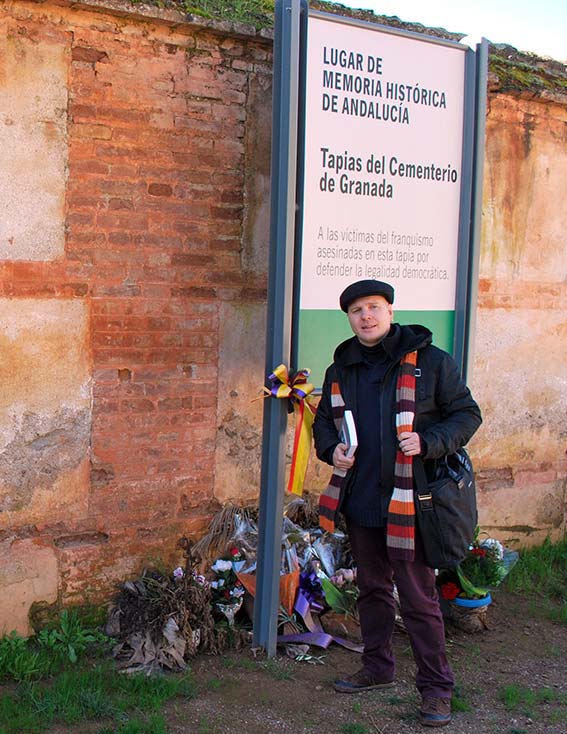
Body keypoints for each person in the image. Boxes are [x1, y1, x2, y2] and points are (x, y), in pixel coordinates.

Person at [313, 279, 482, 728]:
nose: (365, 317)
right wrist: (333, 451)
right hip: (363, 499)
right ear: (349, 318)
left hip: (412, 502)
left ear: (390, 310)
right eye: (356, 311)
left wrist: (427, 441)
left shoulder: (431, 362)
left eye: (373, 307)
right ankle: (377, 668)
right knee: (371, 589)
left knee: (418, 597)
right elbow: (323, 428)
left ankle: (436, 689)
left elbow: (467, 415)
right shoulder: (341, 368)